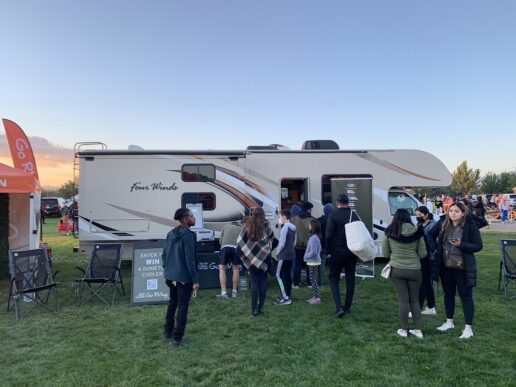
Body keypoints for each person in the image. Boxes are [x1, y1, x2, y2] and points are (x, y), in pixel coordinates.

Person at [429, 202, 483, 339]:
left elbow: (478, 246)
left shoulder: (470, 226)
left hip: (463, 267)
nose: (453, 213)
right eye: (451, 210)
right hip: (446, 266)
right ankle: (449, 322)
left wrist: (462, 245)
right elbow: (430, 235)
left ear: (463, 213)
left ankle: (468, 328)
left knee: (466, 296)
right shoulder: (443, 223)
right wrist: (436, 248)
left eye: (457, 211)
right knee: (448, 294)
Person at [383, 209, 427, 338]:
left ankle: (403, 330)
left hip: (397, 269)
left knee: (403, 301)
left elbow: (385, 254)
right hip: (415, 270)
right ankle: (418, 330)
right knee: (414, 300)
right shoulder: (417, 231)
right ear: (409, 217)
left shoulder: (389, 232)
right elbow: (423, 254)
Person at [162, 208, 199, 348]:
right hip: (183, 278)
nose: (194, 218)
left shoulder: (170, 233)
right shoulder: (188, 235)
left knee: (173, 303)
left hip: (170, 276)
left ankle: (167, 331)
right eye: (192, 216)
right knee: (182, 306)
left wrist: (168, 269)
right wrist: (195, 280)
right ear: (185, 219)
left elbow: (164, 255)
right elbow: (190, 260)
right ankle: (177, 339)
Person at [325, 194, 361, 318]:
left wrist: (328, 251)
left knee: (333, 278)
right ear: (348, 202)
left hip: (337, 251)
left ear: (337, 202)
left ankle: (338, 307)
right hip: (352, 251)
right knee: (350, 278)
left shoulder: (333, 214)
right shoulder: (354, 214)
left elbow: (329, 235)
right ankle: (347, 306)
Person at [236, 207, 275, 316]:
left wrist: (247, 257)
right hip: (265, 258)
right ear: (263, 215)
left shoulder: (247, 226)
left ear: (253, 214)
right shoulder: (266, 225)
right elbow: (272, 240)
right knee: (263, 282)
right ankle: (261, 308)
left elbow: (240, 243)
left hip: (251, 259)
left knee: (254, 283)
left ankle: (254, 309)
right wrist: (267, 249)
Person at [415, 206, 437, 315]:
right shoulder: (419, 225)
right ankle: (431, 307)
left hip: (430, 257)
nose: (418, 217)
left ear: (426, 214)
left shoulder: (433, 225)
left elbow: (433, 241)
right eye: (416, 215)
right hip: (421, 257)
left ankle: (417, 308)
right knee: (427, 282)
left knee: (423, 282)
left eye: (420, 215)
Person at [273, 209, 296, 305]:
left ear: (284, 217)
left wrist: (277, 253)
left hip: (283, 255)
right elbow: (294, 242)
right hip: (291, 254)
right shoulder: (293, 227)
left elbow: (281, 244)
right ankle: (287, 295)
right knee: (287, 275)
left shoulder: (284, 228)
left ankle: (285, 297)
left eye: (280, 216)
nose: (279, 218)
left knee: (278, 275)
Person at [216, 220, 242, 299]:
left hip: (225, 247)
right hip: (236, 248)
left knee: (222, 269)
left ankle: (224, 292)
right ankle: (234, 291)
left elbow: (220, 240)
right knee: (236, 269)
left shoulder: (225, 227)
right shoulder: (241, 228)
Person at [291, 202, 315, 288]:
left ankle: (296, 283)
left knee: (297, 265)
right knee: (309, 265)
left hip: (297, 246)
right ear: (308, 209)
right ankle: (310, 283)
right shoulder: (312, 220)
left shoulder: (293, 219)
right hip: (309, 246)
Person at [304, 219, 322, 304]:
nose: (309, 226)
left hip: (313, 262)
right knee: (313, 279)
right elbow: (319, 249)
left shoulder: (313, 238)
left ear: (313, 227)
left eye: (310, 225)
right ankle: (315, 296)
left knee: (313, 279)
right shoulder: (315, 237)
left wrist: (306, 256)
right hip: (314, 261)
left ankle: (317, 298)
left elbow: (314, 251)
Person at [317, 203, 334, 284]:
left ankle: (321, 281)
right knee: (333, 264)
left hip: (321, 244)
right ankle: (333, 280)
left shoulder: (319, 220)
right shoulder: (335, 220)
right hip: (333, 245)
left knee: (321, 264)